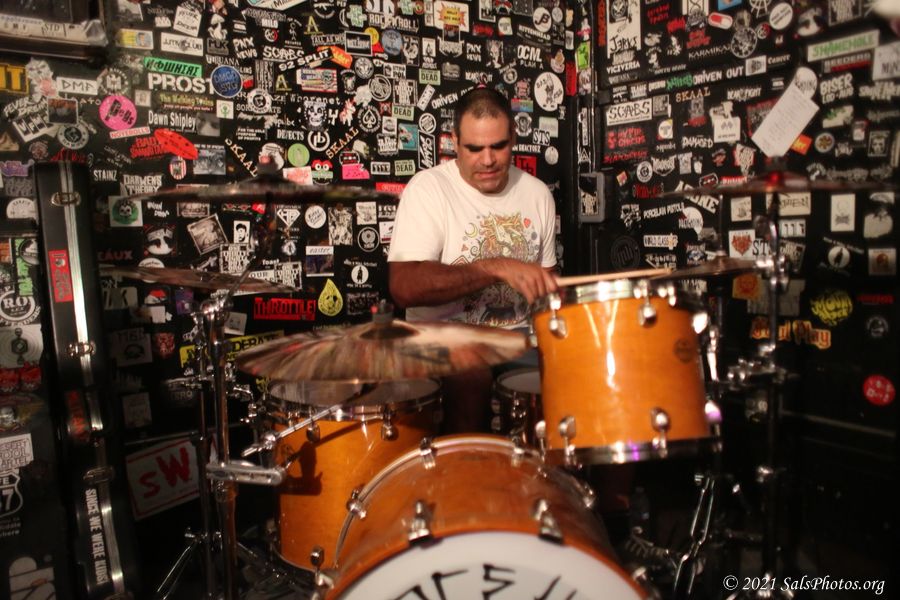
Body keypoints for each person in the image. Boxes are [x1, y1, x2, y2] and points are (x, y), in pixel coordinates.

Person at [388, 87, 558, 431]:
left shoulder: (537, 194)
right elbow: (404, 287)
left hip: (519, 341)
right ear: (454, 141)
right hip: (442, 340)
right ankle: (471, 465)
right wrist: (495, 267)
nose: (488, 160)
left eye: (499, 146)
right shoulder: (429, 189)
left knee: (579, 369)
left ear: (514, 137)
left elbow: (550, 291)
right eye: (474, 148)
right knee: (470, 372)